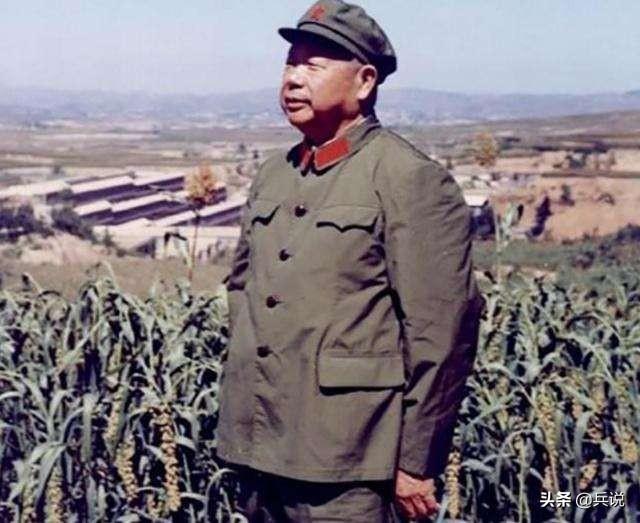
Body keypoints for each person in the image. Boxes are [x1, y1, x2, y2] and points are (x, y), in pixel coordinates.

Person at [216, 1, 484, 521]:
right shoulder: (274, 174)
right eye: (290, 63)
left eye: (313, 65)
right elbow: (243, 293)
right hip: (259, 448)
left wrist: (416, 461)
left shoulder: (408, 178)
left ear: (364, 82)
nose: (293, 78)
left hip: (349, 461)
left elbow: (442, 333)